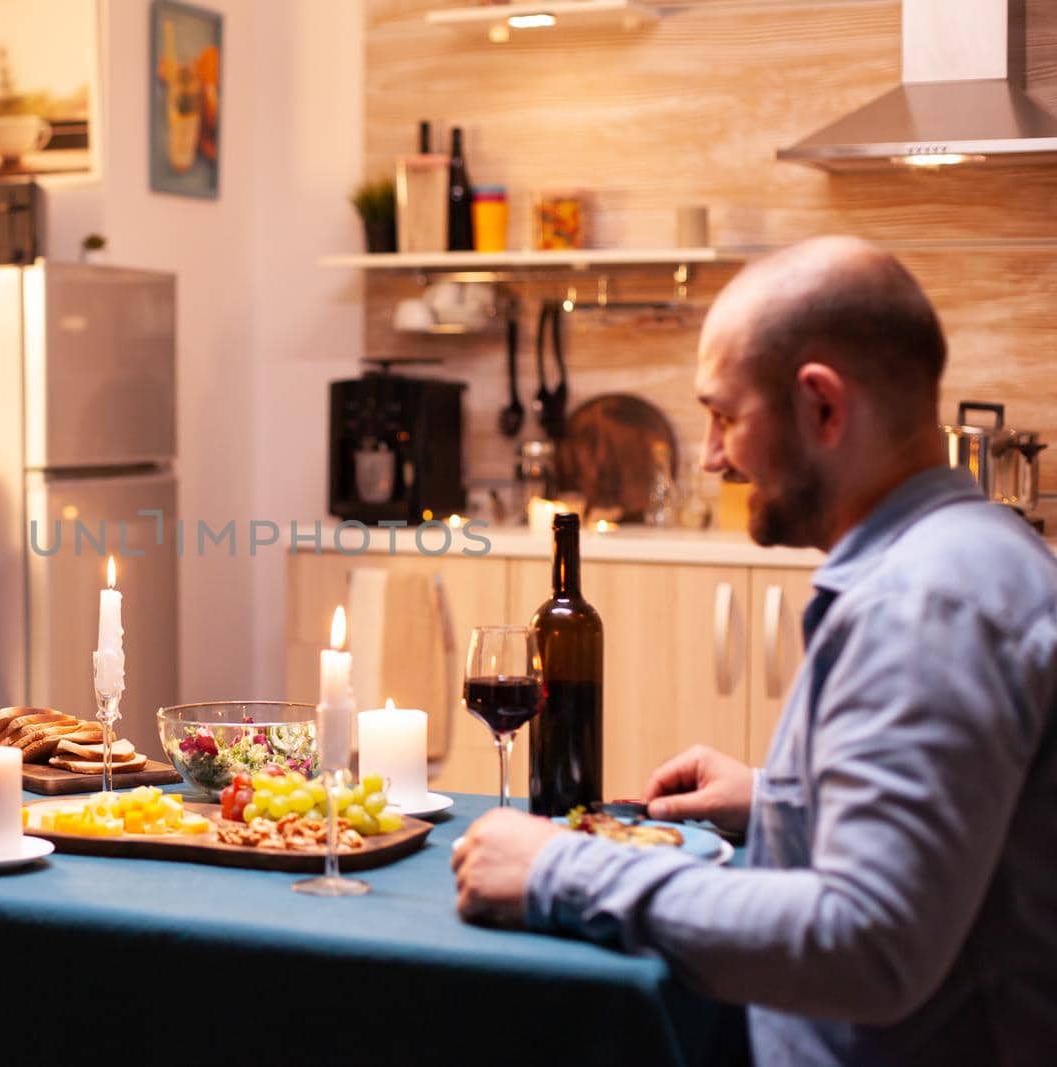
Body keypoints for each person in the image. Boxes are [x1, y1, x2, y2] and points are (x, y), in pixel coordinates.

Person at [451, 237, 1057, 1066]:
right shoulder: (966, 551)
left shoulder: (922, 603)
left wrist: (562, 870)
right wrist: (782, 798)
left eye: (724, 416)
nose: (710, 457)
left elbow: (868, 941)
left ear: (823, 408)